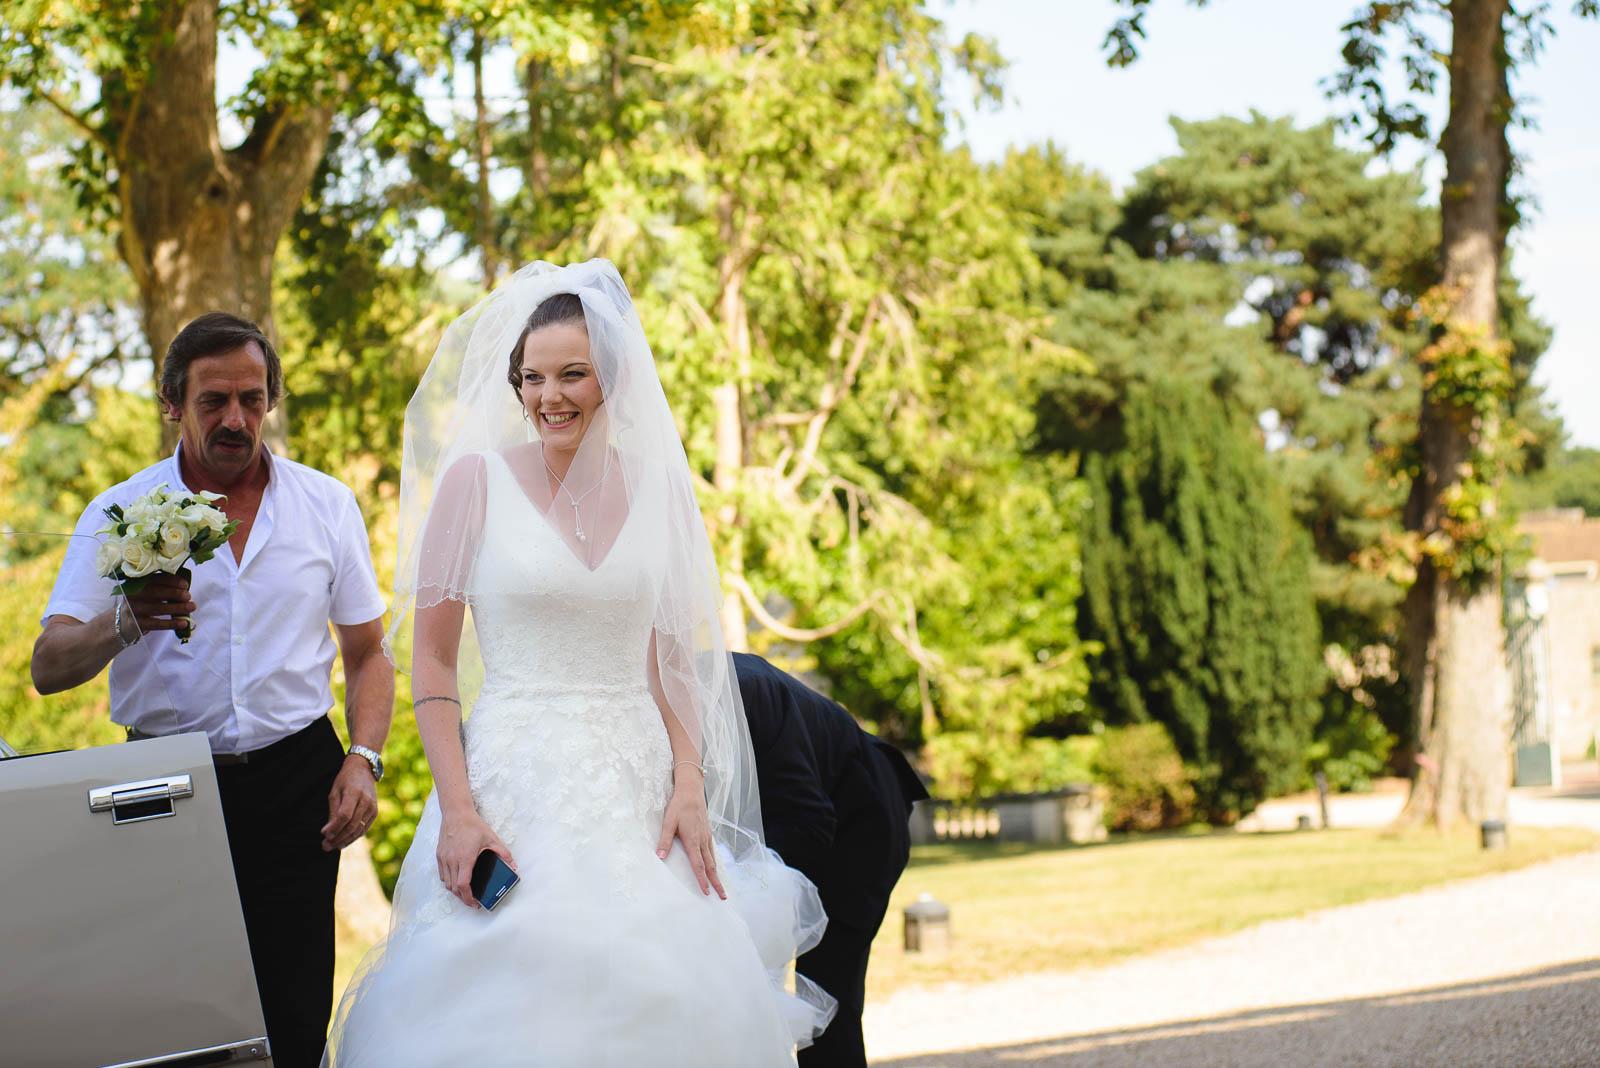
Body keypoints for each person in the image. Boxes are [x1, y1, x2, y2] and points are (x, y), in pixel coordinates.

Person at [324, 260, 835, 1067]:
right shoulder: (474, 484)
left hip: (639, 790)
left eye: (572, 374)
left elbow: (671, 659)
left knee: (668, 996)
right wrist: (457, 810)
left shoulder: (659, 490)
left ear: (612, 381)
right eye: (531, 377)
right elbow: (431, 662)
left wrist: (692, 784)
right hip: (511, 783)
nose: (547, 396)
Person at [30, 312, 394, 1068]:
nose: (237, 419)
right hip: (162, 786)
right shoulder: (117, 513)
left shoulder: (327, 505)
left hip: (300, 781)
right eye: (214, 401)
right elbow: (49, 666)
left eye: (253, 400)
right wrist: (123, 622)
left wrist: (363, 758)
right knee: (177, 1026)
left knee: (294, 1014)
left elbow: (367, 653)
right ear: (171, 403)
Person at [733, 652, 929, 1067]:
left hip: (862, 825)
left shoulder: (748, 690)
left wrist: (731, 885)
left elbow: (810, 821)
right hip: (797, 826)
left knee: (826, 999)